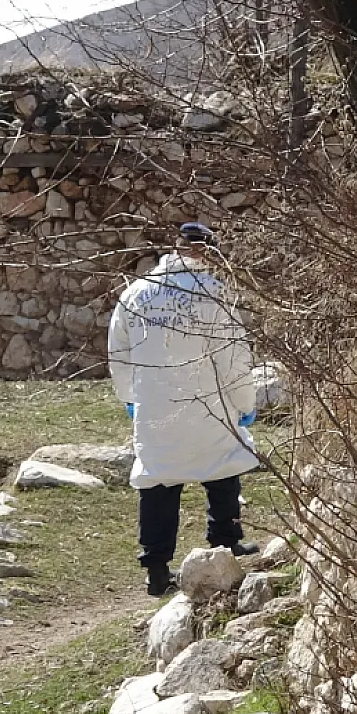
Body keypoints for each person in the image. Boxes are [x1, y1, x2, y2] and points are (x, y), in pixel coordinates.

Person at [109, 222, 259, 597]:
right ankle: (225, 545)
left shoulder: (136, 293)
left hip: (156, 406)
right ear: (208, 252)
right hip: (207, 401)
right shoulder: (214, 293)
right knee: (223, 467)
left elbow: (119, 354)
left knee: (158, 481)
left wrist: (129, 397)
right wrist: (245, 402)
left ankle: (156, 569)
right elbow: (234, 357)